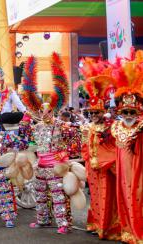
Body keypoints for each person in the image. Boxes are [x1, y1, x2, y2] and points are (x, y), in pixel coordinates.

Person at [21, 54, 73, 234]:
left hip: (55, 168)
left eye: (48, 111)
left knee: (58, 196)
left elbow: (74, 138)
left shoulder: (62, 125)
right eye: (42, 111)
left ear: (53, 110)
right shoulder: (37, 127)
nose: (45, 114)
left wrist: (64, 156)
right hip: (41, 167)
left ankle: (63, 224)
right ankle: (42, 219)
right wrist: (25, 120)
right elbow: (23, 135)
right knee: (41, 196)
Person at [78, 66, 120, 241]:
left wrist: (103, 161)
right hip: (92, 169)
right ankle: (96, 223)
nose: (93, 115)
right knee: (94, 197)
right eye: (91, 112)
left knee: (106, 197)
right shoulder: (89, 127)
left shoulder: (110, 127)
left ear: (103, 112)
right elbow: (86, 147)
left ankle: (107, 226)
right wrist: (88, 160)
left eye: (96, 112)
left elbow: (114, 148)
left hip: (105, 168)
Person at [108, 51, 143, 244]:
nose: (128, 114)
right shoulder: (115, 126)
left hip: (139, 171)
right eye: (125, 111)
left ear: (138, 110)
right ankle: (128, 229)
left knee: (138, 196)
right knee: (125, 196)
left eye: (132, 111)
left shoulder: (141, 125)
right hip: (122, 171)